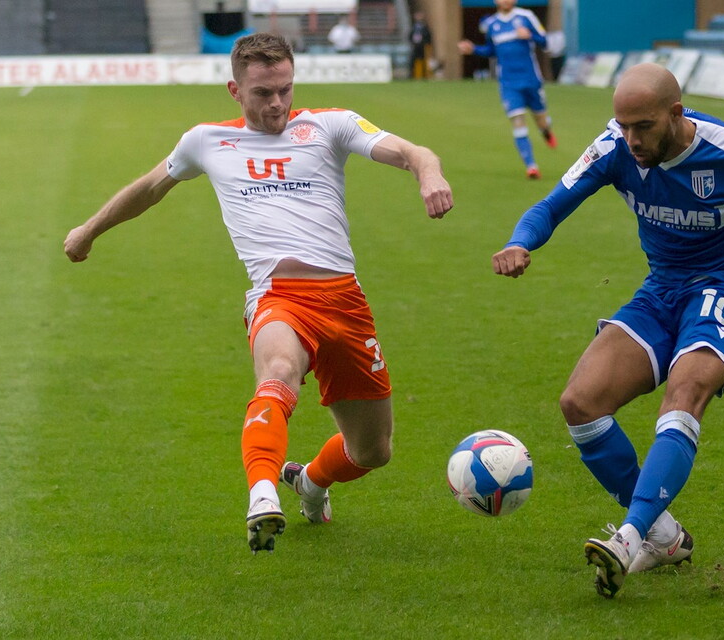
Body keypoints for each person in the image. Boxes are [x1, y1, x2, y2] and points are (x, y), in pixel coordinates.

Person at [63, 32, 454, 553]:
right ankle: (263, 495)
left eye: (285, 90)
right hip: (278, 297)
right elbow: (148, 189)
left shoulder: (330, 125)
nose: (276, 103)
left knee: (372, 450)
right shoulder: (205, 141)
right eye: (263, 93)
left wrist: (429, 175)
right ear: (235, 90)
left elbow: (410, 151)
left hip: (345, 300)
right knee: (278, 371)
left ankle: (310, 481)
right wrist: (88, 230)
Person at [492, 63, 724, 598]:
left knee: (683, 395)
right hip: (660, 290)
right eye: (624, 126)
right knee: (580, 403)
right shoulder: (613, 147)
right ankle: (664, 538)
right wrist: (519, 242)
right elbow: (552, 205)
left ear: (675, 113)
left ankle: (629, 537)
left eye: (643, 126)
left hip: (723, 290)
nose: (632, 139)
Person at [458, 0, 557, 180]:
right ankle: (531, 166)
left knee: (541, 121)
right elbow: (491, 50)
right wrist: (473, 49)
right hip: (508, 83)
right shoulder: (491, 24)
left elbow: (546, 42)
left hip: (531, 80)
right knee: (517, 120)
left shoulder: (526, 17)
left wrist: (530, 36)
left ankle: (546, 131)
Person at [409, 10, 433, 80]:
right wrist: (412, 42)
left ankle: (425, 76)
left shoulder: (425, 27)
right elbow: (410, 35)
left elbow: (428, 36)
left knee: (424, 61)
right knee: (413, 61)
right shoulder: (413, 27)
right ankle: (413, 75)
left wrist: (427, 44)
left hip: (422, 46)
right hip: (415, 46)